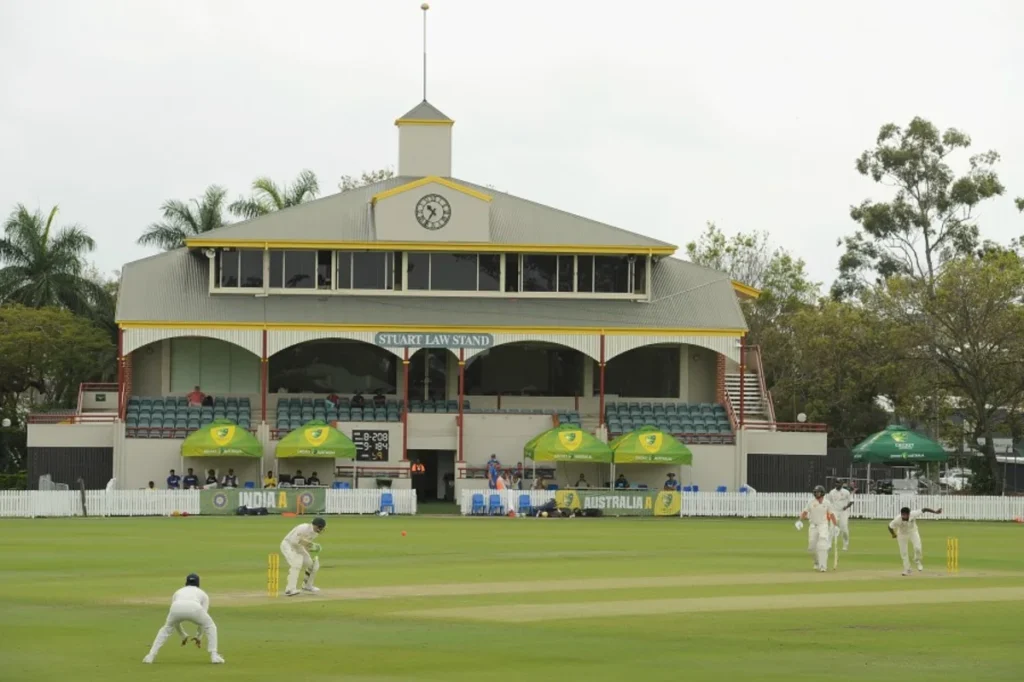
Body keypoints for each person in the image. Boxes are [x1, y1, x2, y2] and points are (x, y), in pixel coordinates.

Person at [143, 573, 224, 665]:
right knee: (210, 626)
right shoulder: (203, 594)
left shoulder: (178, 592)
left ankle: (150, 656)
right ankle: (214, 656)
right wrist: (199, 636)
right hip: (194, 607)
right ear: (198, 583)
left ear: (186, 582)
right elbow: (203, 621)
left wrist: (182, 635)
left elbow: (176, 620)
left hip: (176, 607)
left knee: (166, 628)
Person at [888, 506, 943, 575]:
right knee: (903, 552)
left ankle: (917, 560)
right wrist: (893, 534)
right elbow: (889, 526)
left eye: (905, 515)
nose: (903, 516)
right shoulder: (897, 519)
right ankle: (907, 569)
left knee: (918, 548)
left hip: (913, 532)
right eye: (902, 515)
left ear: (909, 514)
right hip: (902, 534)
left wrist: (935, 512)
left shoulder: (913, 514)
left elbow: (924, 509)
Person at [279, 517, 326, 596]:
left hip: (299, 547)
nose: (321, 529)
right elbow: (294, 541)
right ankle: (290, 589)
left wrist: (312, 548)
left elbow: (304, 544)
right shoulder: (303, 528)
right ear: (316, 526)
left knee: (312, 564)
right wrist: (311, 545)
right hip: (288, 545)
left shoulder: (315, 533)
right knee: (296, 563)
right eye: (320, 527)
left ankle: (307, 586)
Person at [796, 485, 837, 572]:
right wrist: (799, 520)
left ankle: (823, 566)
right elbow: (805, 512)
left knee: (822, 545)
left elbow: (832, 514)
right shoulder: (811, 502)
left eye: (818, 492)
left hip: (823, 525)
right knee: (811, 547)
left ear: (822, 493)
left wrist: (835, 525)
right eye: (815, 492)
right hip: (813, 526)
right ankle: (816, 562)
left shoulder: (827, 503)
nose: (816, 494)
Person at [828, 480, 854, 550]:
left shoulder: (846, 492)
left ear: (842, 484)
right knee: (831, 528)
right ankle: (829, 545)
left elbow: (851, 501)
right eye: (836, 482)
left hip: (843, 512)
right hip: (834, 512)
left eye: (838, 483)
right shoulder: (832, 492)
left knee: (844, 529)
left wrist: (846, 507)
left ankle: (845, 544)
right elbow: (829, 503)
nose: (837, 484)